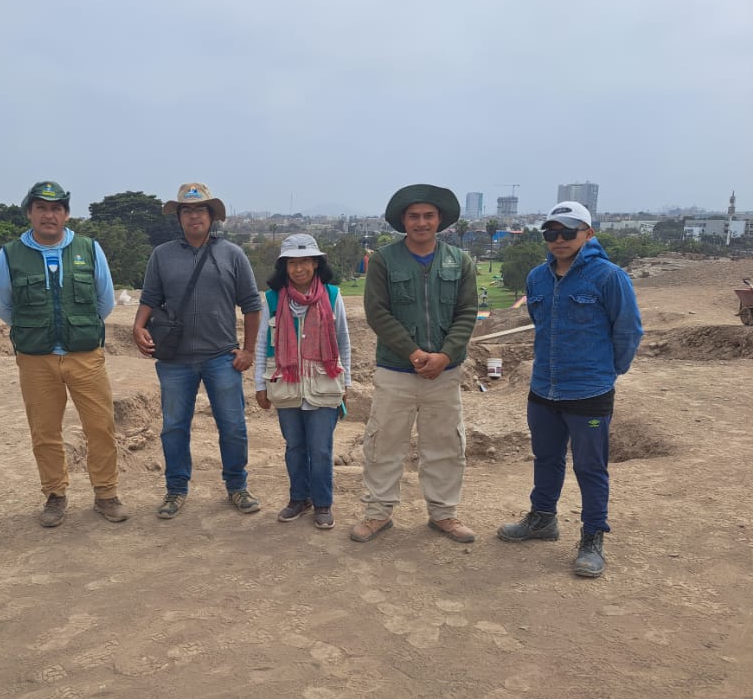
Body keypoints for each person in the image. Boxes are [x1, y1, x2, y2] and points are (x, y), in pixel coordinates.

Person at [497, 201, 642, 577]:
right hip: (544, 388)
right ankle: (543, 519)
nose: (558, 239)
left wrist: (608, 373)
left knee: (590, 467)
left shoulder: (609, 277)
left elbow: (627, 331)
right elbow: (539, 324)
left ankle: (593, 537)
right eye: (551, 232)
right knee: (546, 459)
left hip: (589, 392)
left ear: (588, 233)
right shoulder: (537, 279)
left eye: (568, 231)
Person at [0, 181, 125, 528]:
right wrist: (39, 332)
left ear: (66, 214)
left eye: (56, 209)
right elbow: (5, 307)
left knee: (100, 427)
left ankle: (106, 494)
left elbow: (104, 302)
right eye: (41, 208)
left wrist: (75, 329)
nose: (49, 215)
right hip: (36, 359)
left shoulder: (89, 249)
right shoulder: (9, 255)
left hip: (85, 356)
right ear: (29, 213)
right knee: (45, 431)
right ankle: (55, 495)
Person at [351, 184, 478, 544]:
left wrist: (445, 354)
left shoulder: (459, 261)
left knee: (445, 445)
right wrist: (412, 352)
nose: (421, 223)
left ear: (440, 220)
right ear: (403, 221)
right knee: (383, 443)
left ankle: (444, 514)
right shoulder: (384, 261)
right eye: (414, 216)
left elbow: (467, 312)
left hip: (445, 372)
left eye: (428, 216)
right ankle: (378, 514)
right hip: (395, 370)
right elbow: (377, 312)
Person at [132, 183, 262, 518]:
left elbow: (251, 304)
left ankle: (237, 485)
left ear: (211, 216)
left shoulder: (232, 254)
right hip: (175, 359)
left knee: (232, 425)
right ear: (179, 217)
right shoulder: (162, 255)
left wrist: (248, 351)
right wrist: (138, 327)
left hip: (221, 356)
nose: (194, 216)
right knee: (174, 426)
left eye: (200, 210)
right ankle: (176, 489)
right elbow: (149, 299)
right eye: (187, 210)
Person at [254, 234, 352, 529]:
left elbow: (344, 342)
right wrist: (260, 385)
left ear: (316, 264)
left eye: (306, 261)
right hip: (286, 384)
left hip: (323, 383)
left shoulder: (333, 296)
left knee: (321, 448)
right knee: (294, 445)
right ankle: (299, 498)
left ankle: (322, 503)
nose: (299, 269)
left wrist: (346, 382)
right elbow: (262, 344)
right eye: (293, 263)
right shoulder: (271, 300)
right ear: (284, 267)